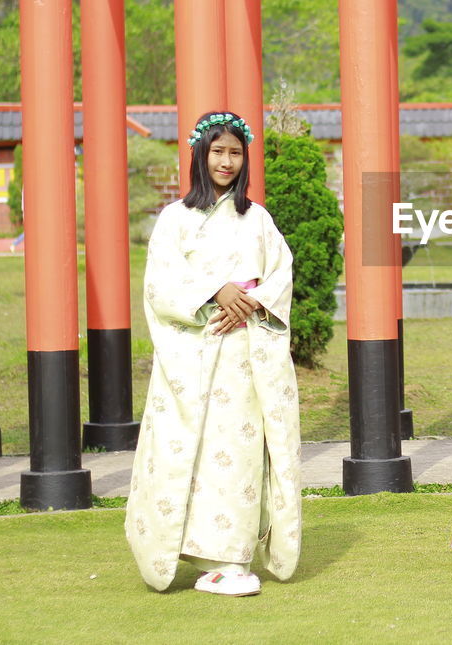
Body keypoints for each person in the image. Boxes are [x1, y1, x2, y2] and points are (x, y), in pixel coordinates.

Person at [126, 111, 301, 597]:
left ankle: (231, 558)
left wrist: (250, 303)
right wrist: (216, 292)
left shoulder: (257, 218)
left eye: (235, 152)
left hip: (246, 356)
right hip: (194, 354)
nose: (226, 161)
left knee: (239, 455)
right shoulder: (174, 219)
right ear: (199, 154)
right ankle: (179, 549)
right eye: (217, 151)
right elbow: (161, 285)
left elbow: (281, 274)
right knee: (189, 451)